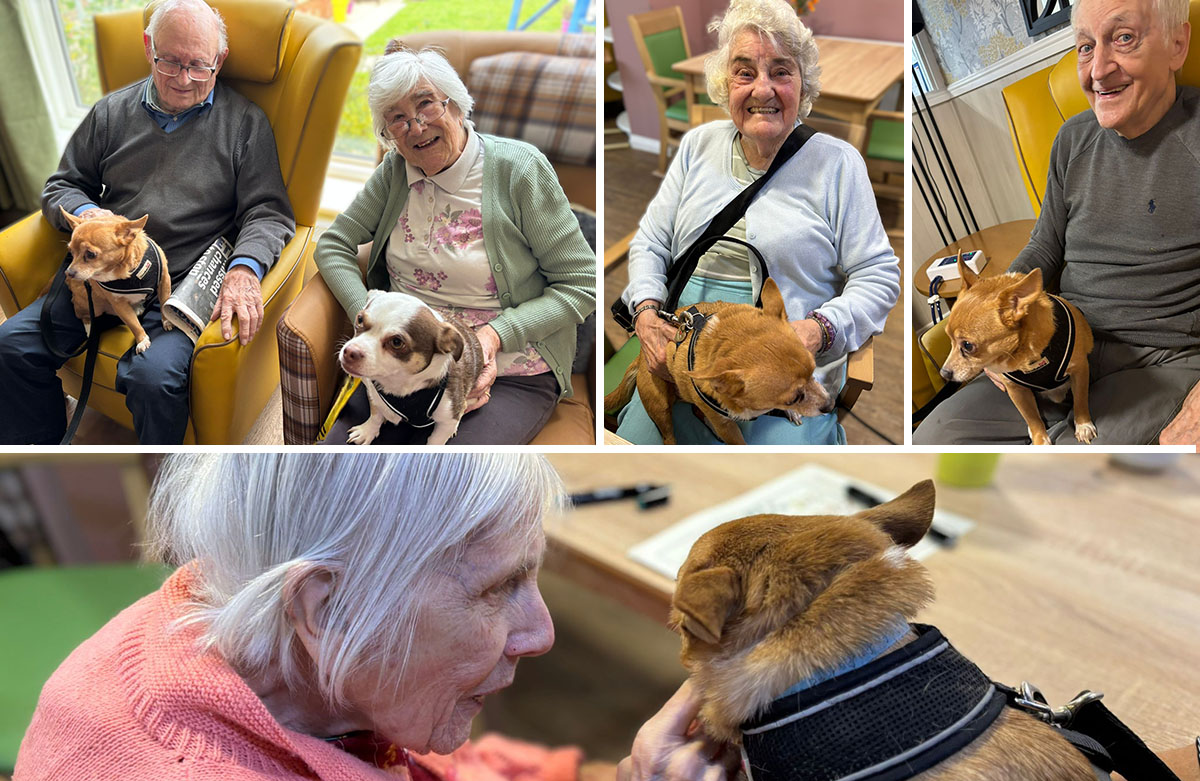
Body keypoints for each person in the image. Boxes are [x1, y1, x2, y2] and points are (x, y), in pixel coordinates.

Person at [13, 453, 739, 781]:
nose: (541, 633)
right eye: (497, 588)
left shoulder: (233, 604)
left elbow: (430, 774)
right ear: (326, 610)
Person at [0, 0, 294, 445]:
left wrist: (243, 270)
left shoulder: (245, 124)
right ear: (147, 47)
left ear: (219, 61)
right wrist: (87, 213)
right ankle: (46, 454)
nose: (183, 79)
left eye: (199, 66)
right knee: (11, 347)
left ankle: (162, 480)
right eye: (170, 61)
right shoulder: (110, 113)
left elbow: (268, 211)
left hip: (177, 285)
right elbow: (63, 185)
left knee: (154, 381)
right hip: (100, 274)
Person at [613, 0, 900, 446]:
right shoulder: (697, 146)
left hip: (784, 366)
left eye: (781, 71)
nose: (762, 89)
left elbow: (878, 275)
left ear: (803, 84)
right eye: (744, 72)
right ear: (724, 84)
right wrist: (647, 314)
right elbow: (651, 240)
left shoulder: (838, 164)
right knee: (636, 449)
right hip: (684, 351)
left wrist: (819, 330)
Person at [914, 0, 1200, 445]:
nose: (1098, 70)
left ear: (1177, 44)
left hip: (1160, 358)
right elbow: (1044, 245)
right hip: (1057, 337)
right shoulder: (1072, 138)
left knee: (1068, 467)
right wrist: (994, 314)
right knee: (934, 439)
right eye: (1085, 47)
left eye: (1124, 38)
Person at [316, 46, 596, 446]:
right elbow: (333, 245)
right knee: (339, 463)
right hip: (398, 365)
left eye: (426, 105)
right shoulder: (395, 171)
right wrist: (371, 319)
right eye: (397, 118)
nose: (415, 127)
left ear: (458, 105)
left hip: (507, 370)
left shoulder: (519, 170)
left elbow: (581, 284)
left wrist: (494, 337)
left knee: (447, 471)